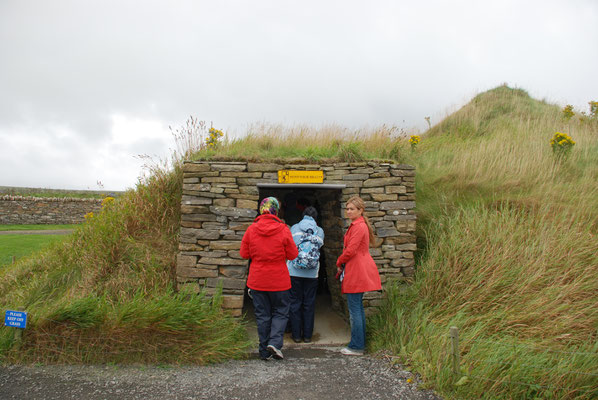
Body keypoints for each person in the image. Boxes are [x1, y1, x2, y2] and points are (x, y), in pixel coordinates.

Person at [240, 197, 298, 360]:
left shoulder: (251, 229)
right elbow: (293, 254)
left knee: (262, 315)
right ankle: (274, 342)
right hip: (279, 280)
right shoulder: (283, 229)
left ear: (261, 210)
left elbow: (244, 254)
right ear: (276, 211)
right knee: (280, 312)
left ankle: (264, 351)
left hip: (257, 280)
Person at [336, 196, 381, 356]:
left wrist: (339, 261)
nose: (348, 211)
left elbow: (351, 250)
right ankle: (359, 343)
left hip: (357, 269)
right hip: (358, 267)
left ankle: (356, 346)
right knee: (357, 308)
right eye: (347, 208)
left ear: (360, 210)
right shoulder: (358, 225)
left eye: (352, 209)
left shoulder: (358, 226)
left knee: (354, 308)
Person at [287, 206, 324, 343]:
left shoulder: (295, 228)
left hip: (294, 272)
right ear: (316, 217)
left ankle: (296, 335)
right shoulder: (319, 231)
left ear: (302, 215)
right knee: (309, 303)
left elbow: (290, 247)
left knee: (295, 302)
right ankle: (308, 335)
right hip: (312, 273)